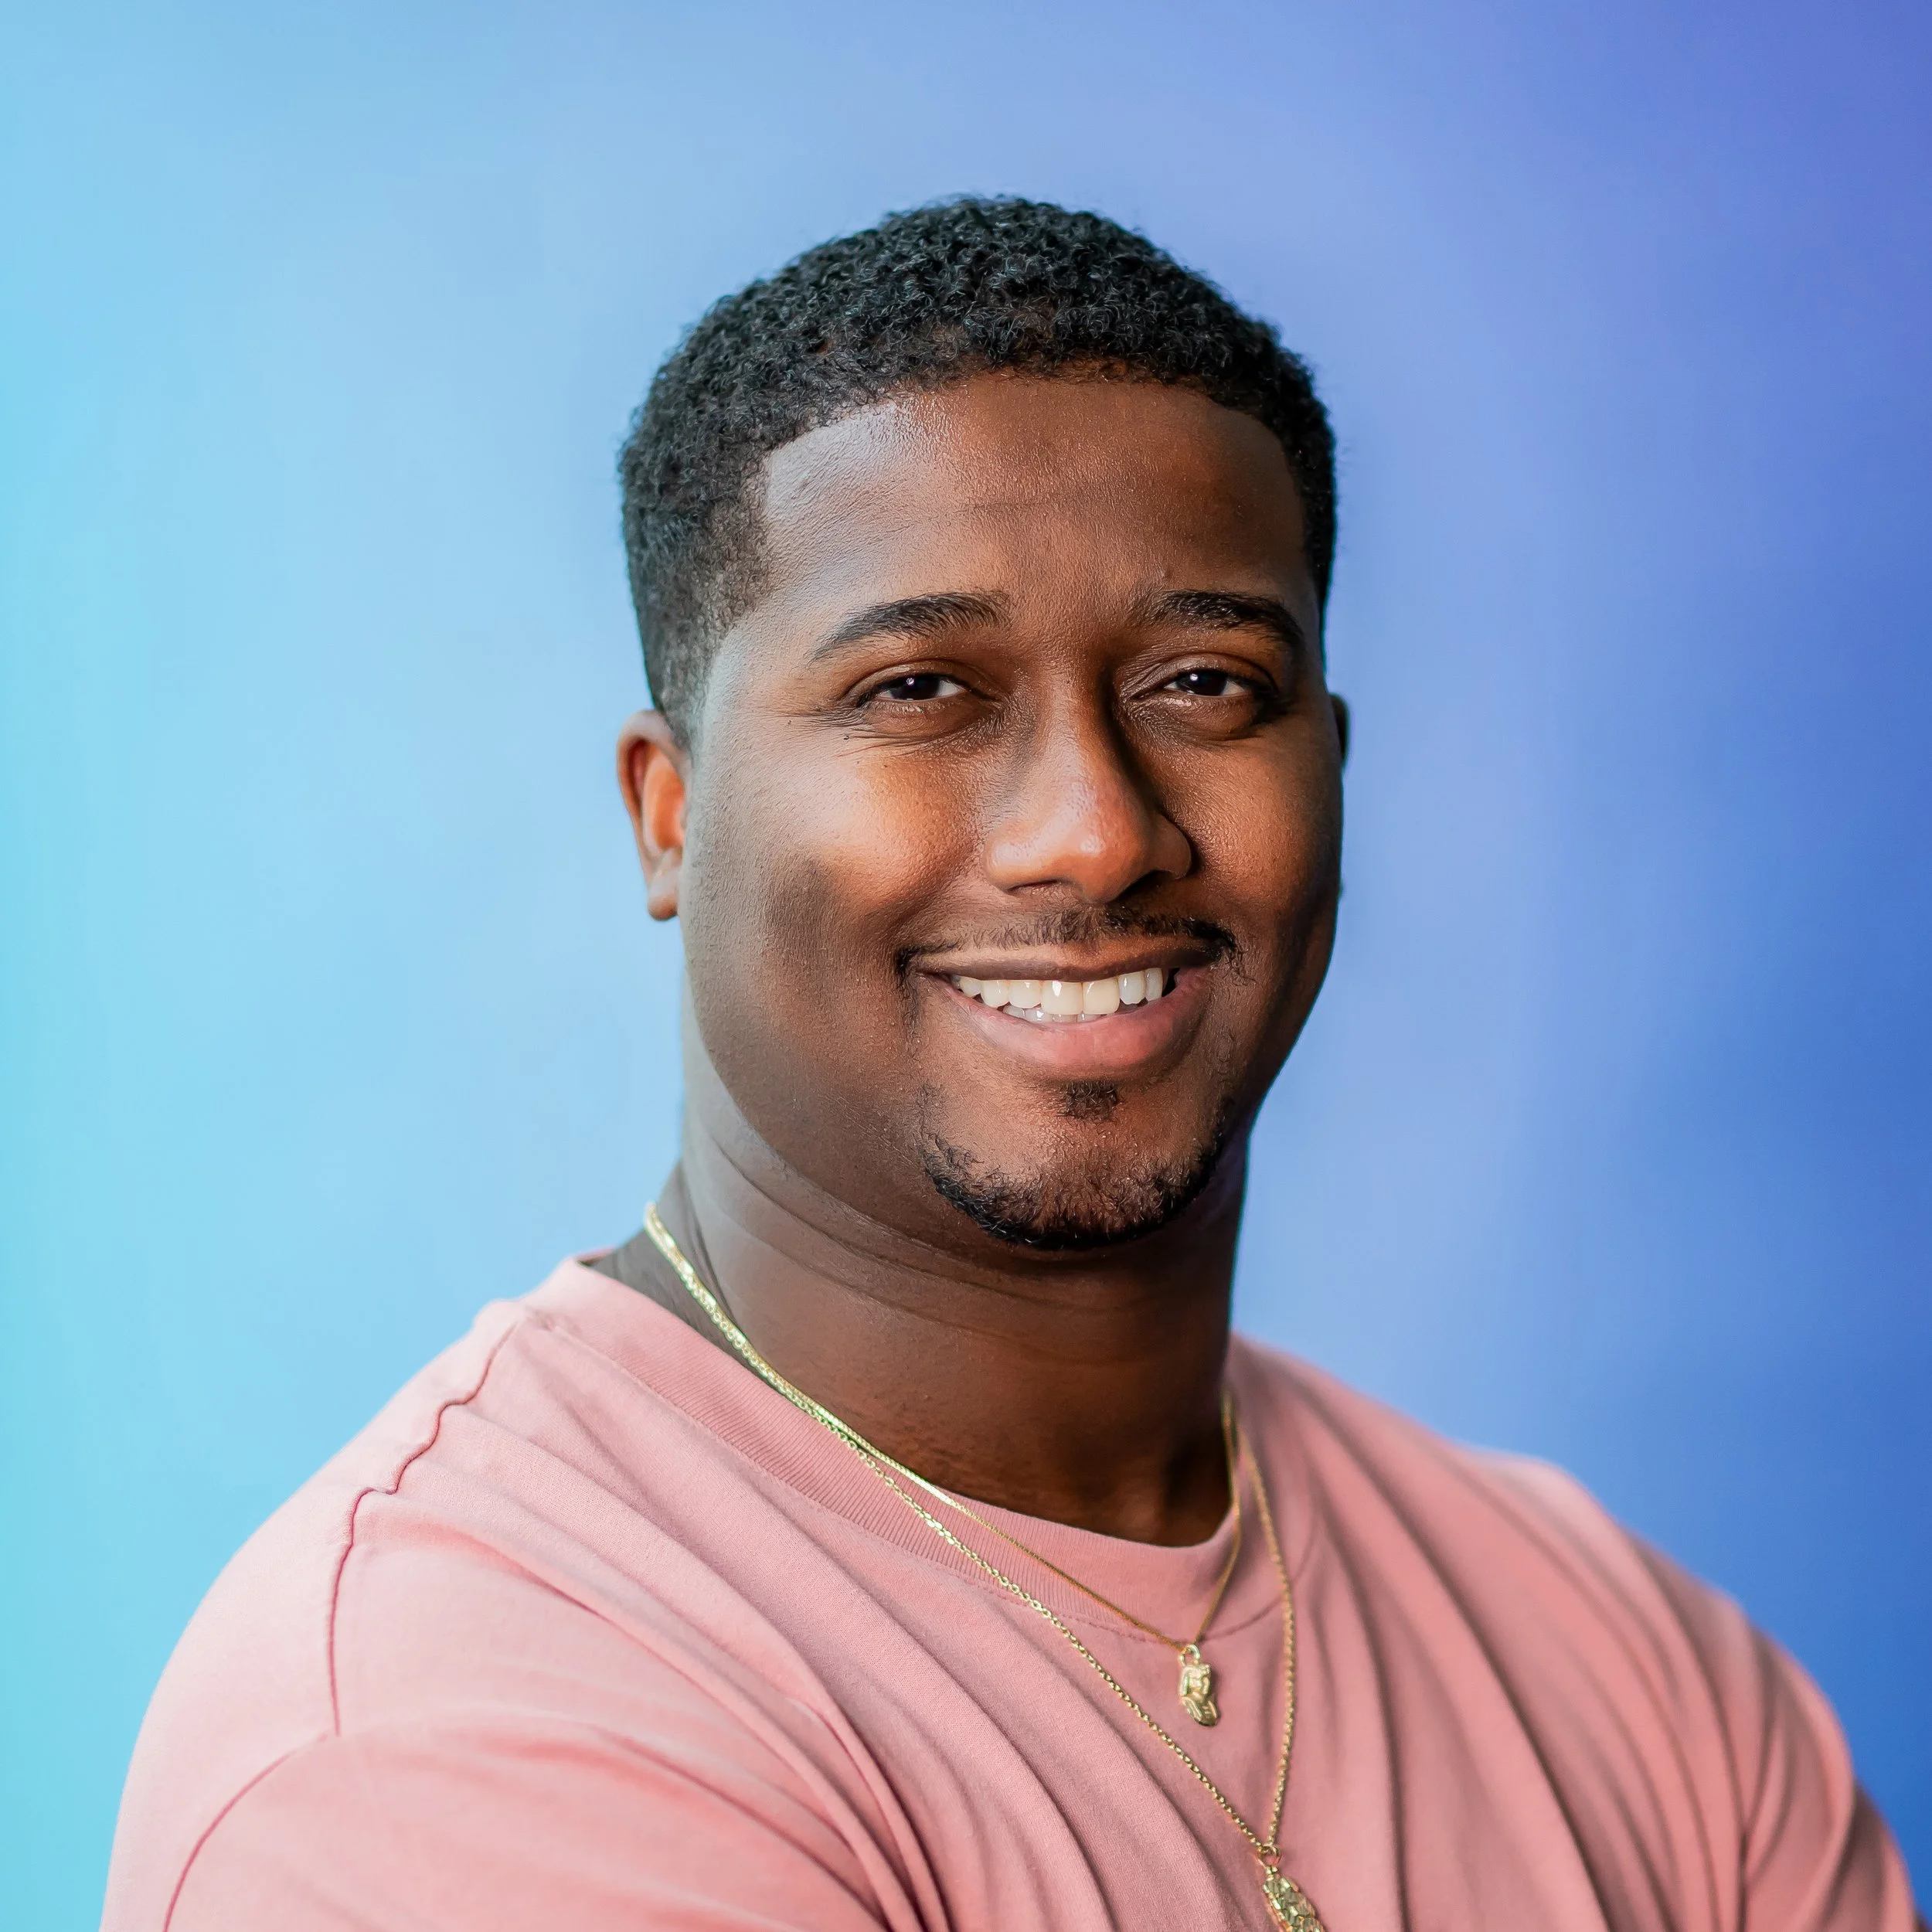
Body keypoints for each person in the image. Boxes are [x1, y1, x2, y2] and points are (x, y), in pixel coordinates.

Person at [104, 197, 1917, 1932]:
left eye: (1204, 682)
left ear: (1331, 767)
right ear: (671, 815)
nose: (1089, 833)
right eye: (920, 690)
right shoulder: (456, 1705)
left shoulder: (1637, 1662)